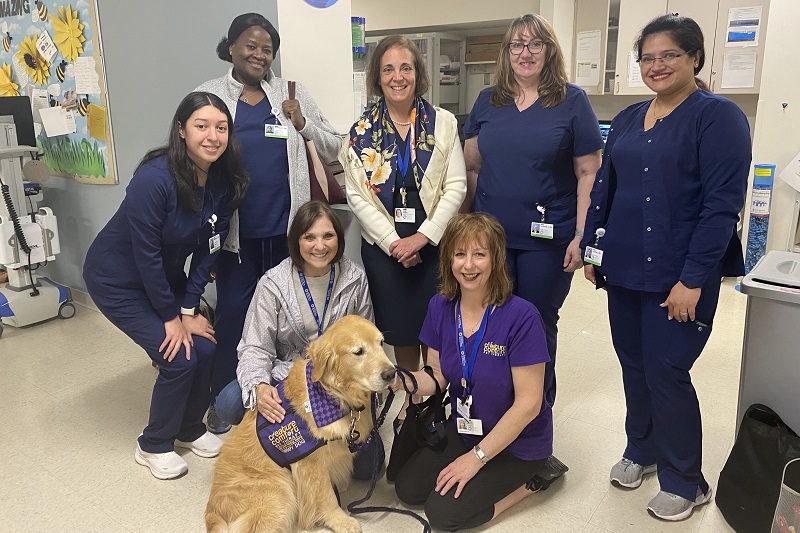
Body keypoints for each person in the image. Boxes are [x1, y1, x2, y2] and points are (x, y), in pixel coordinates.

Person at [582, 14, 751, 521]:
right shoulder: (632, 118)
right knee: (634, 365)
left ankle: (686, 480)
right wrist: (594, 250)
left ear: (695, 58)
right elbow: (606, 192)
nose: (656, 66)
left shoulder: (717, 117)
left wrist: (693, 280)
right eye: (647, 57)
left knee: (668, 370)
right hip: (625, 271)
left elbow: (721, 207)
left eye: (669, 55)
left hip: (680, 278)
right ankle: (643, 450)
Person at [82, 92, 249, 480]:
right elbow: (146, 256)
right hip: (118, 279)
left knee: (206, 344)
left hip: (164, 279)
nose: (212, 136)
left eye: (221, 128)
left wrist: (189, 311)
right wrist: (171, 317)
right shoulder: (154, 179)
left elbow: (209, 250)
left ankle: (190, 429)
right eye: (201, 126)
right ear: (181, 130)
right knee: (178, 355)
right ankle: (153, 443)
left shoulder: (223, 181)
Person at [195, 13, 344, 433]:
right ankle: (228, 401)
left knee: (289, 321)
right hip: (235, 239)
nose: (259, 54)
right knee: (234, 317)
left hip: (286, 236)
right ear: (231, 47)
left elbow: (337, 144)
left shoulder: (290, 93)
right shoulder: (209, 94)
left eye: (266, 49)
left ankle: (289, 398)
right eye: (250, 45)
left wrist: (302, 123)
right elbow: (190, 146)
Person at [462, 14, 603, 408]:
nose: (526, 53)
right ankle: (495, 411)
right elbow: (473, 167)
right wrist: (466, 231)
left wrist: (581, 235)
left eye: (535, 44)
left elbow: (588, 171)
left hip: (548, 240)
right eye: (517, 45)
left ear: (549, 50)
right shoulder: (488, 101)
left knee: (536, 326)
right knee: (491, 323)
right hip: (491, 239)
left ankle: (536, 422)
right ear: (507, 52)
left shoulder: (572, 101)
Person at [392, 213, 552, 531]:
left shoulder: (522, 317)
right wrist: (401, 381)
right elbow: (437, 374)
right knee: (408, 489)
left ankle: (534, 480)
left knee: (443, 514)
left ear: (496, 259)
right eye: (460, 254)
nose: (469, 265)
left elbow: (529, 405)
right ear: (448, 258)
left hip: (518, 442)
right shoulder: (441, 306)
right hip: (467, 428)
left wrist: (475, 460)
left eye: (479, 254)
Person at [341, 35, 466, 429]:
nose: (398, 76)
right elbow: (356, 197)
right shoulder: (360, 133)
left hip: (433, 242)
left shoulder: (443, 124)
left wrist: (424, 237)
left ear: (418, 73)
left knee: (436, 322)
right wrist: (395, 242)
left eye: (406, 68)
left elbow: (456, 186)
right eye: (389, 69)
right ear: (377, 78)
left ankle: (435, 396)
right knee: (401, 329)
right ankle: (412, 399)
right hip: (386, 249)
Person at [212, 200, 381, 479]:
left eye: (328, 236)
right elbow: (255, 346)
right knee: (230, 403)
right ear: (296, 241)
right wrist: (260, 386)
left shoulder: (354, 279)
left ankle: (316, 442)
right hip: (288, 374)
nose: (320, 246)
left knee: (367, 471)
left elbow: (368, 339)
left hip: (338, 378)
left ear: (338, 238)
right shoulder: (273, 283)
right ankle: (289, 443)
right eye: (309, 237)